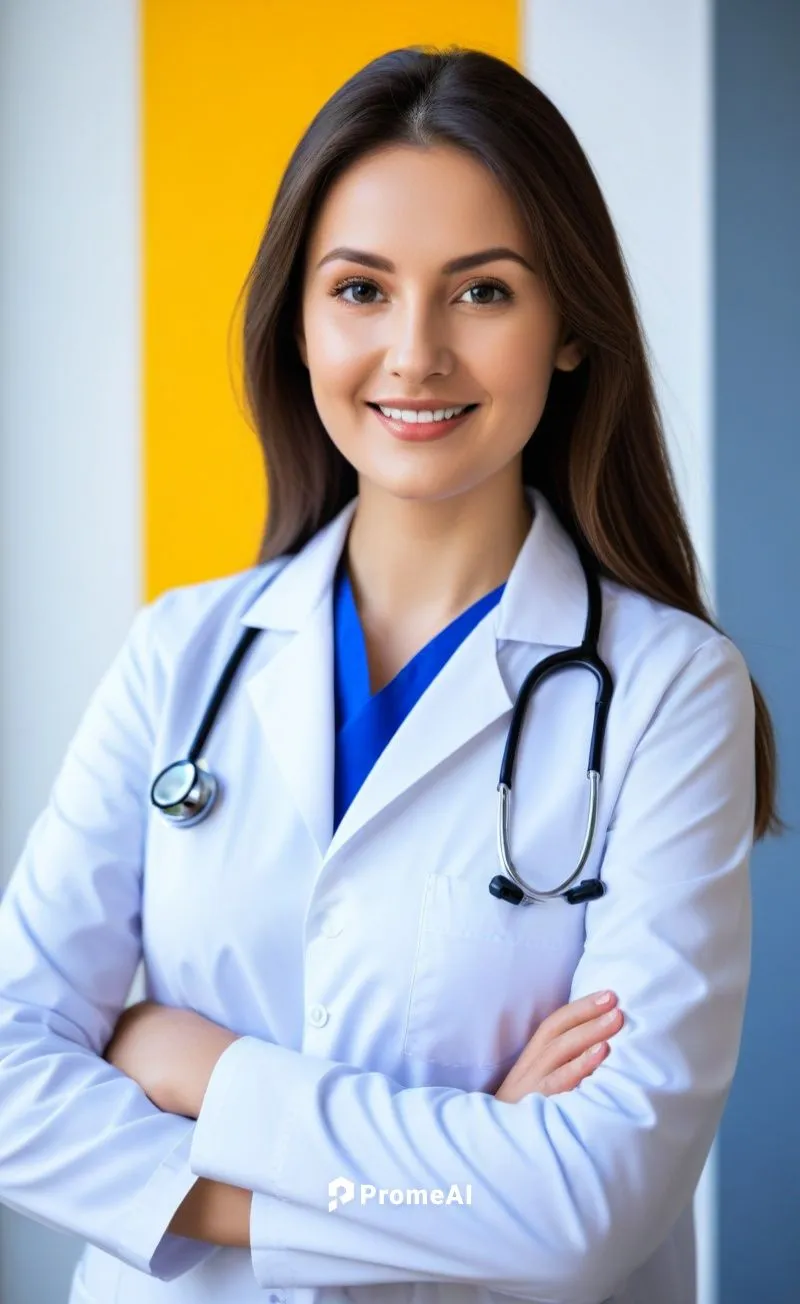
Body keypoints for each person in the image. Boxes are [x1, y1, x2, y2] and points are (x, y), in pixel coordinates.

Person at [0, 43, 784, 1304]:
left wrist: (193, 1064)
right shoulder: (178, 655)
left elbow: (587, 1206)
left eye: (480, 294)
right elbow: (5, 1084)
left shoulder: (667, 694)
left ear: (570, 328)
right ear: (299, 321)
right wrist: (443, 1187)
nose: (413, 354)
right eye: (360, 290)